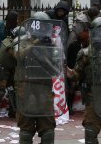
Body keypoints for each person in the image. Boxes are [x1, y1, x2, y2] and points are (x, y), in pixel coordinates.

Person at [15, 11, 67, 144]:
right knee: (26, 127)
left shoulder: (50, 45)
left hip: (44, 87)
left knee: (48, 127)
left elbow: (57, 68)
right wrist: (36, 43)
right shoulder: (22, 41)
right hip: (26, 87)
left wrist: (48, 48)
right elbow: (18, 55)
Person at [65, 3, 101, 115]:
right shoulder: (81, 22)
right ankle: (69, 106)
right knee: (73, 82)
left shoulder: (91, 16)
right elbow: (76, 38)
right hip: (74, 54)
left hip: (83, 54)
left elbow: (97, 15)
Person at [0, 25, 25, 120]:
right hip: (2, 70)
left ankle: (13, 111)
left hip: (7, 69)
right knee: (0, 91)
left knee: (13, 90)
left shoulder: (8, 40)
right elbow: (18, 56)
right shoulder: (12, 45)